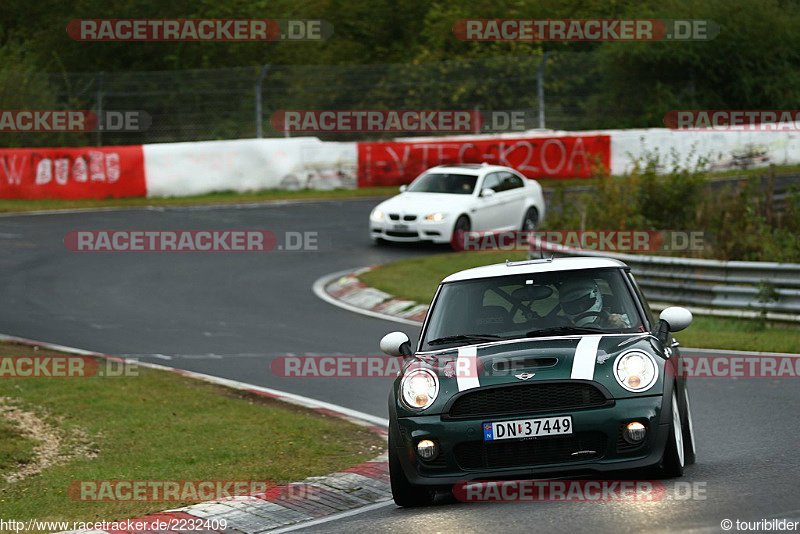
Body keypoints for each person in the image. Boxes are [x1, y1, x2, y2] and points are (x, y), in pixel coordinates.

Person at [558, 277, 630, 328]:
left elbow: (634, 331)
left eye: (584, 302)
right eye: (573, 305)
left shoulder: (619, 320)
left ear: (596, 296)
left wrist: (622, 326)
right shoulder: (561, 328)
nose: (580, 308)